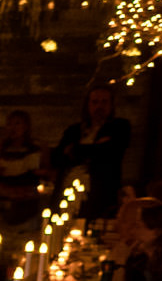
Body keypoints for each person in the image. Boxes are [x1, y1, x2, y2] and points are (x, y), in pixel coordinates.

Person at [49, 84, 131, 219]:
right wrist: (95, 149)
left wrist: (75, 150)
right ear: (88, 105)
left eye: (104, 102)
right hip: (67, 190)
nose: (100, 106)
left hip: (100, 193)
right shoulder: (73, 131)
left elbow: (110, 153)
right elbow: (57, 158)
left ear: (111, 105)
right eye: (95, 102)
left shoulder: (119, 127)